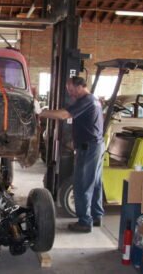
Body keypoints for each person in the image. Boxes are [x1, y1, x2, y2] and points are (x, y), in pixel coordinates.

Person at [40, 76, 104, 233]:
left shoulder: (86, 100)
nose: (70, 93)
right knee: (94, 184)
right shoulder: (93, 100)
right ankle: (96, 216)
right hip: (95, 146)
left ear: (80, 86)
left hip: (88, 148)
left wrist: (41, 112)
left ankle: (84, 222)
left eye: (71, 90)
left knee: (82, 185)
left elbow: (63, 115)